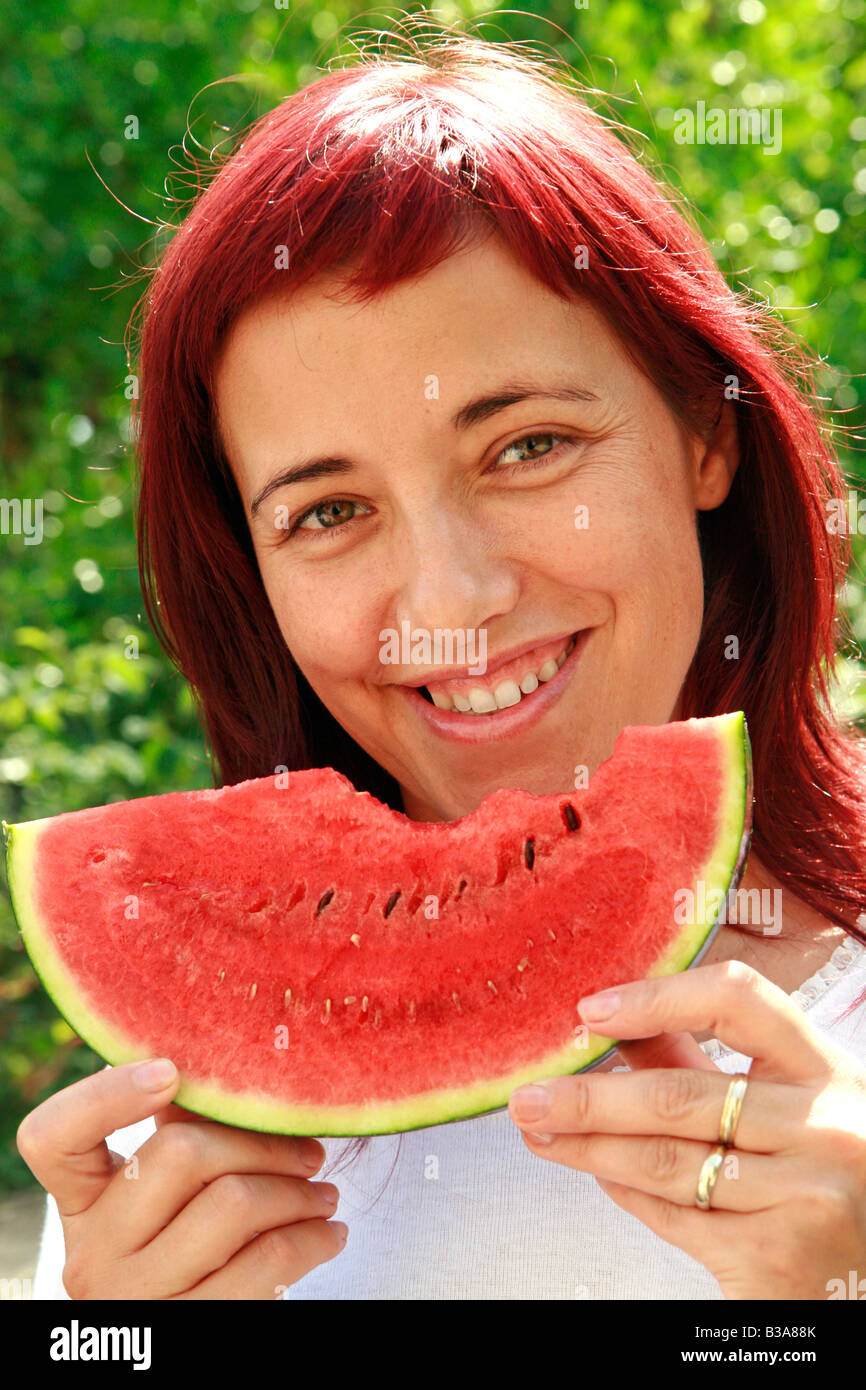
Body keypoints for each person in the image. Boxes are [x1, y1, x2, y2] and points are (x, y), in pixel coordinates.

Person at [19, 27, 866, 1301]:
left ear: (703, 430)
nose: (451, 602)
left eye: (527, 446)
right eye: (326, 511)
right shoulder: (175, 1145)